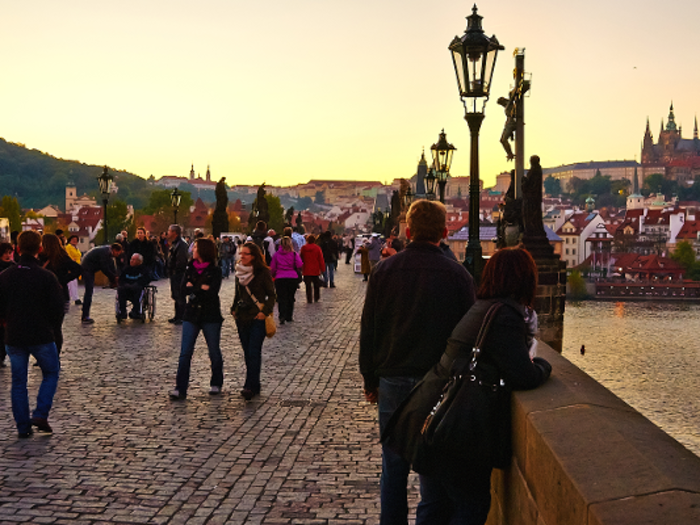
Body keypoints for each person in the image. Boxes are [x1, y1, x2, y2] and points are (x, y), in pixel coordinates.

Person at [392, 247, 552, 525]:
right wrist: (543, 366)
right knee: (471, 507)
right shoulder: (504, 315)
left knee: (434, 506)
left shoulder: (481, 307)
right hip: (457, 430)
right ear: (524, 280)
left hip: (433, 415)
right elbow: (524, 376)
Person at [359, 199, 477, 525]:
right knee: (433, 468)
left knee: (393, 469)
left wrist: (370, 380)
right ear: (444, 231)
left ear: (408, 231)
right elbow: (467, 337)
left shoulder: (384, 271)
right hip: (438, 382)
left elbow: (369, 329)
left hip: (393, 379)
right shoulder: (459, 275)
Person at [0, 230, 65, 438]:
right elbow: (57, 309)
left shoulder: (5, 276)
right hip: (41, 335)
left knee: (18, 382)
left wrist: (5, 323)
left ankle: (22, 426)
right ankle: (40, 413)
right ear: (40, 249)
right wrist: (53, 328)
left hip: (14, 335)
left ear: (18, 249)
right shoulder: (46, 277)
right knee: (51, 372)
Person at [169, 238, 224, 399]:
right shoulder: (190, 268)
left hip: (210, 314)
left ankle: (216, 382)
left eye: (195, 247)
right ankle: (180, 387)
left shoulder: (215, 270)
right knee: (185, 352)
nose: (192, 249)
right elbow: (182, 290)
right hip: (191, 314)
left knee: (213, 351)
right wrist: (200, 288)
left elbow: (212, 291)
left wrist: (193, 287)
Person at [231, 242, 276, 400]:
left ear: (254, 256)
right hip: (242, 317)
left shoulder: (263, 272)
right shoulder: (239, 271)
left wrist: (264, 312)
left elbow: (271, 295)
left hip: (257, 317)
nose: (242, 256)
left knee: (253, 351)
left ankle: (249, 385)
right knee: (247, 352)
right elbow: (238, 294)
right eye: (241, 253)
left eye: (245, 254)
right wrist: (234, 308)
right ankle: (255, 383)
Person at [40, 234, 82, 355]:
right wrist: (63, 280)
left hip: (50, 296)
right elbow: (77, 269)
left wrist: (62, 280)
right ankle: (52, 355)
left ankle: (49, 355)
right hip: (59, 296)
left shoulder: (50, 258)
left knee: (50, 328)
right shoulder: (61, 257)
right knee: (54, 328)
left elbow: (78, 269)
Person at [80, 243, 123, 324]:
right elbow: (105, 268)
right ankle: (85, 316)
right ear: (114, 250)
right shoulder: (105, 253)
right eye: (118, 253)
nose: (118, 255)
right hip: (87, 269)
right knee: (89, 291)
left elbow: (111, 266)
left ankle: (85, 314)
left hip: (90, 268)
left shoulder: (107, 252)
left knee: (89, 291)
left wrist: (115, 276)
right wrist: (113, 277)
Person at [270, 236, 303, 324]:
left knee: (281, 297)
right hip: (292, 277)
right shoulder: (294, 254)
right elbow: (299, 264)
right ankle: (289, 316)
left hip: (280, 278)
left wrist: (273, 275)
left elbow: (272, 267)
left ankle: (282, 315)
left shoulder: (276, 255)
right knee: (290, 297)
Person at [117, 253, 152, 320]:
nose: (131, 261)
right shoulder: (126, 269)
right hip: (126, 288)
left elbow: (146, 279)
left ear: (139, 262)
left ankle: (135, 311)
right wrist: (124, 284)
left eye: (134, 260)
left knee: (138, 289)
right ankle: (122, 311)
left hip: (137, 287)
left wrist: (137, 284)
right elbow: (121, 279)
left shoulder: (144, 270)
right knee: (120, 289)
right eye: (131, 259)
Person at [167, 224, 189, 324]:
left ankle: (182, 317)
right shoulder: (176, 243)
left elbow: (181, 261)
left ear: (174, 233)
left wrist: (175, 270)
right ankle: (177, 316)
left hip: (179, 274)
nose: (168, 233)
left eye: (169, 231)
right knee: (176, 296)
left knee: (180, 296)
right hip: (174, 273)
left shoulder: (181, 244)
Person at [0, 242, 15, 367]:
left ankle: (2, 355)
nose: (8, 255)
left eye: (10, 252)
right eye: (5, 253)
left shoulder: (14, 267)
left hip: (9, 305)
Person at [300, 234, 325, 303]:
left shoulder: (303, 248)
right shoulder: (317, 248)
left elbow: (301, 258)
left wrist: (300, 267)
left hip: (306, 269)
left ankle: (309, 298)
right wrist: (322, 269)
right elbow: (320, 259)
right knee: (316, 285)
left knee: (308, 286)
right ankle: (316, 297)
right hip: (315, 269)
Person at [65, 235, 82, 305]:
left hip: (76, 267)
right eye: (73, 239)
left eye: (76, 240)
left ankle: (73, 297)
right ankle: (74, 298)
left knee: (73, 283)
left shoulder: (76, 248)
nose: (75, 241)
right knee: (72, 283)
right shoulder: (68, 247)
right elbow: (67, 255)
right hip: (71, 267)